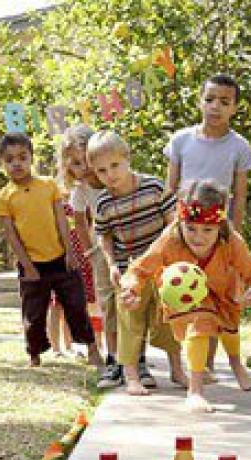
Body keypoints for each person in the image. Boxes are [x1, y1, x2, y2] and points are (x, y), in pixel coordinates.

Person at [120, 179, 251, 413]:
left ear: (219, 226)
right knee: (200, 322)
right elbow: (138, 269)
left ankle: (236, 363)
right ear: (180, 222)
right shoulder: (170, 239)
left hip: (224, 292)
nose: (198, 237)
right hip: (186, 296)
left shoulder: (232, 241)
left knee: (230, 329)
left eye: (207, 230)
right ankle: (195, 390)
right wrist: (131, 289)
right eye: (190, 228)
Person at [164, 73, 251, 378]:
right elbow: (170, 189)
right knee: (180, 293)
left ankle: (208, 364)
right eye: (210, 99)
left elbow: (239, 196)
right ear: (200, 101)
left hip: (217, 232)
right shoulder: (181, 141)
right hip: (183, 231)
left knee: (214, 295)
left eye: (224, 102)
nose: (215, 107)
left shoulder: (240, 147)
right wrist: (169, 230)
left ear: (235, 108)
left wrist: (234, 235)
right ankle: (182, 365)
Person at [87, 130, 187, 396]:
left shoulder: (153, 187)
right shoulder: (104, 202)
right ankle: (132, 376)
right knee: (129, 320)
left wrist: (167, 256)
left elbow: (173, 222)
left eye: (115, 166)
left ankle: (177, 369)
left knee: (169, 317)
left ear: (127, 158)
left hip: (161, 266)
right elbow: (104, 236)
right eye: (101, 171)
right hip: (128, 269)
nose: (110, 175)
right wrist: (110, 264)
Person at [0, 132, 103, 368]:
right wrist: (28, 266)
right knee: (33, 314)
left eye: (23, 157)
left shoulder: (48, 186)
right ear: (2, 163)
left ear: (31, 158)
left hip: (61, 260)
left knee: (77, 306)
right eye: (10, 159)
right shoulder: (4, 197)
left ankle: (93, 350)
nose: (17, 163)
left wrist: (70, 253)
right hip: (32, 264)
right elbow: (11, 235)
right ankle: (34, 355)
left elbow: (62, 222)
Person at [57, 124, 121, 384]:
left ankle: (133, 354)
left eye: (84, 161)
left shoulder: (113, 178)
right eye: (73, 163)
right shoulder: (81, 190)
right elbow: (80, 220)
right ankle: (112, 355)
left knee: (130, 301)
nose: (80, 168)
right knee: (106, 301)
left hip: (128, 243)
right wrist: (90, 250)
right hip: (101, 248)